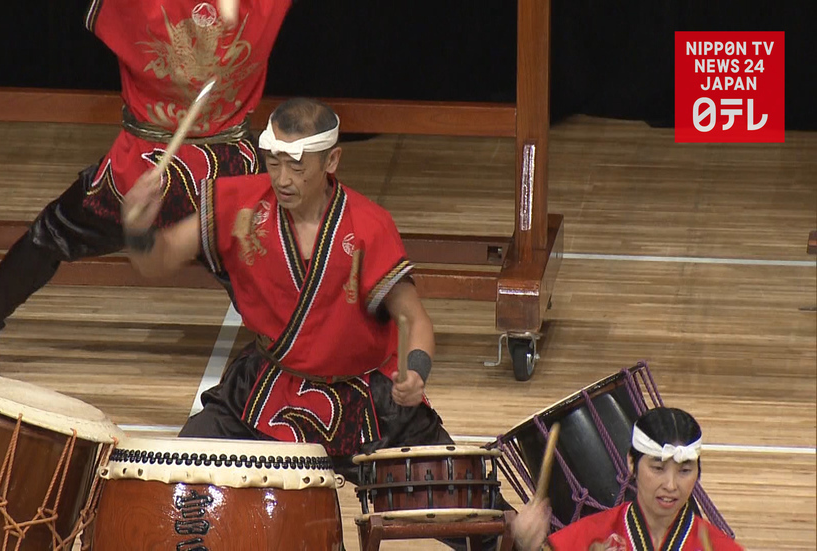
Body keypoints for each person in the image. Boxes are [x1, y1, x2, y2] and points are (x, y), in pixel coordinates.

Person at [124, 99, 505, 550]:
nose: (282, 178)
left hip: (366, 399)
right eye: (273, 162)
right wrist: (136, 229)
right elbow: (159, 259)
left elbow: (412, 317)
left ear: (332, 160)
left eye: (297, 165)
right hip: (267, 389)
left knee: (477, 517)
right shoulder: (239, 204)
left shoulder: (368, 226)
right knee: (187, 474)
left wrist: (416, 369)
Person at [0, 0, 294, 361]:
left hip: (141, 175)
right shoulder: (260, 6)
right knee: (255, 270)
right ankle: (294, 351)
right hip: (226, 179)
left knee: (50, 235)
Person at [510, 407, 744, 551]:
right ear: (632, 463)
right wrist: (525, 547)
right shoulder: (586, 538)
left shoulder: (719, 547)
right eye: (658, 468)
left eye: (684, 471)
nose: (671, 485)